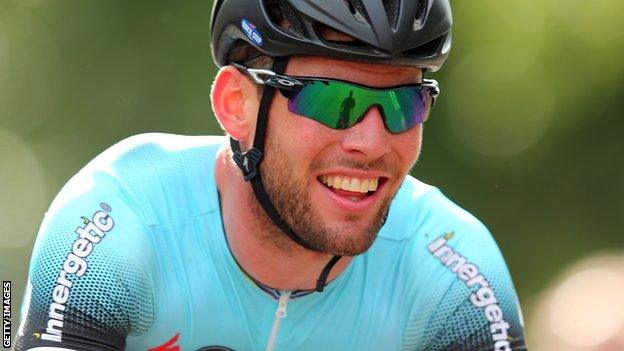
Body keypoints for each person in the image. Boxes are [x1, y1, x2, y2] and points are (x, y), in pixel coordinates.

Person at [14, 0, 527, 350]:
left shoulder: (450, 268)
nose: (371, 144)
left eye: (404, 104)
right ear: (236, 104)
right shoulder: (116, 220)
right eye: (332, 99)